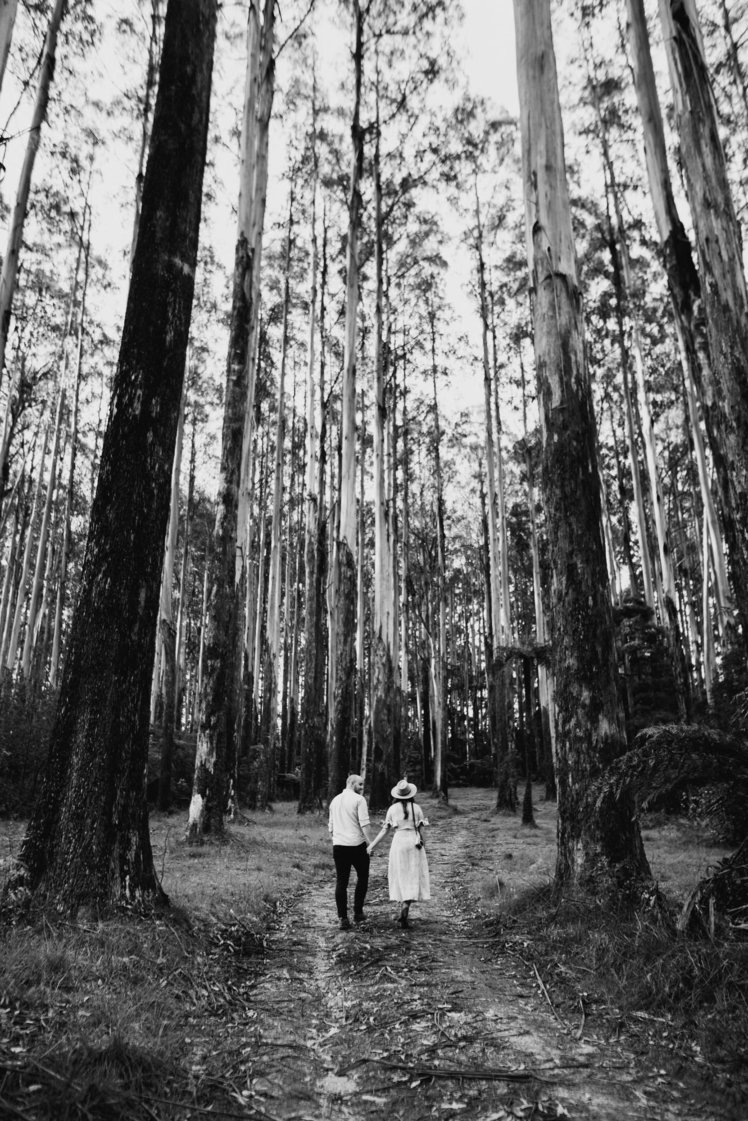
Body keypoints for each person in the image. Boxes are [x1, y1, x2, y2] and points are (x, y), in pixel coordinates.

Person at [367, 778, 430, 928]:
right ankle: (406, 905)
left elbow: (385, 830)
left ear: (397, 794)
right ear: (410, 794)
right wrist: (424, 844)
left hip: (399, 841)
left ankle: (402, 903)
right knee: (413, 873)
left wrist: (372, 846)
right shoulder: (417, 808)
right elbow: (422, 830)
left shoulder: (392, 809)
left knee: (400, 873)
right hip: (413, 842)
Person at [328, 774, 375, 930]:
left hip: (339, 846)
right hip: (357, 845)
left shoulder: (334, 800)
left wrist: (337, 840)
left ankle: (343, 918)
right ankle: (358, 913)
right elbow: (365, 824)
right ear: (351, 783)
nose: (362, 788)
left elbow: (331, 827)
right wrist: (371, 843)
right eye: (360, 785)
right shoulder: (359, 800)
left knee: (342, 881)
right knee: (363, 877)